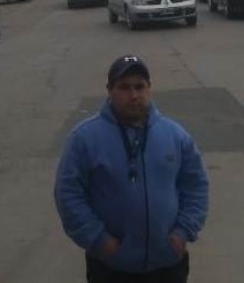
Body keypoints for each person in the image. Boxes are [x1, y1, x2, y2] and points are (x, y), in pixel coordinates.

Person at [54, 55, 209, 283]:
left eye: (139, 87)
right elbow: (67, 194)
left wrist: (183, 232)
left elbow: (196, 186)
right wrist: (98, 239)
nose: (134, 95)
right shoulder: (85, 139)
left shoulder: (175, 135)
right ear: (110, 90)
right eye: (124, 87)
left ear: (149, 89)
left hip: (167, 264)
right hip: (111, 267)